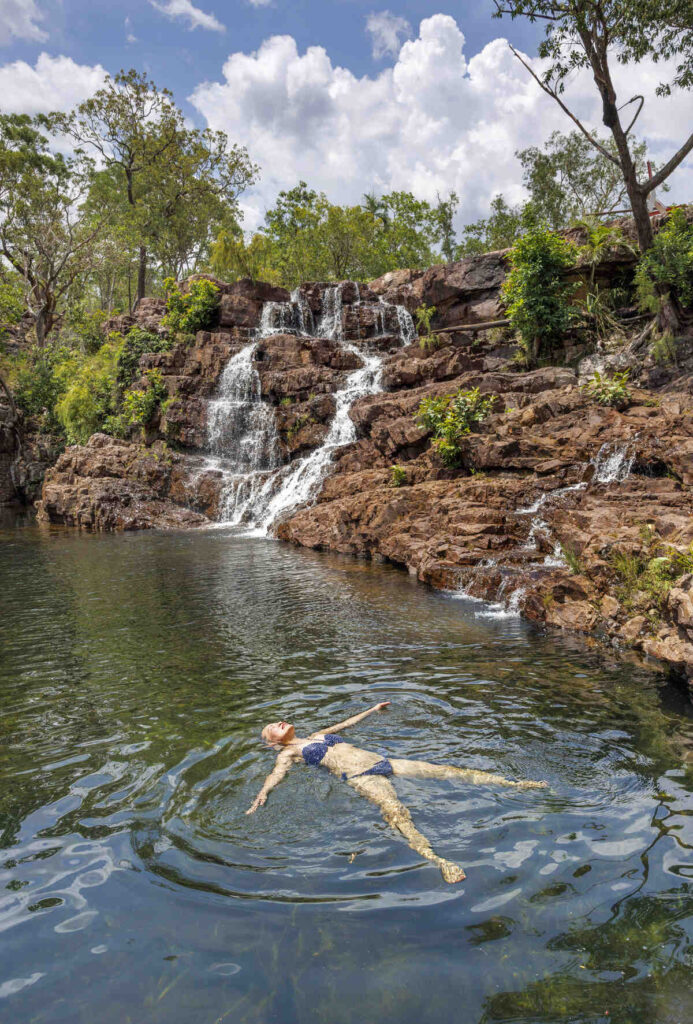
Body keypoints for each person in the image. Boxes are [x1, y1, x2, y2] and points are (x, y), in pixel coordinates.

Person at [246, 701, 546, 883]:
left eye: (278, 719)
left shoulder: (317, 734)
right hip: (362, 776)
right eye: (273, 726)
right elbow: (276, 776)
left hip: (384, 762)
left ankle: (513, 785)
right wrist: (262, 795)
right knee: (399, 816)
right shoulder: (286, 755)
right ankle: (438, 860)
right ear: (272, 741)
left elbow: (348, 723)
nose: (279, 722)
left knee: (447, 770)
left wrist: (373, 710)